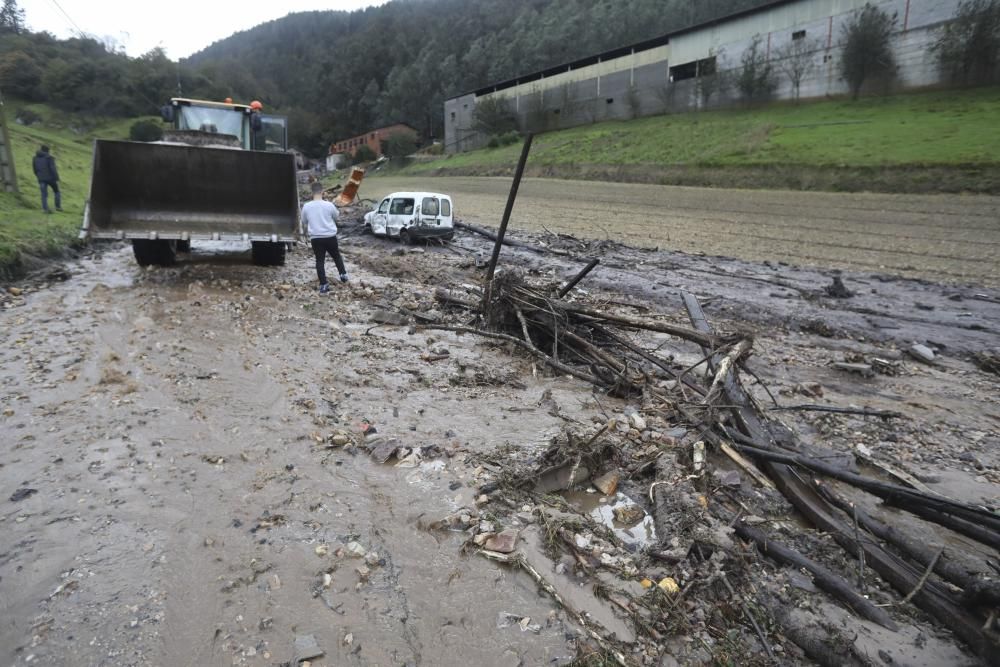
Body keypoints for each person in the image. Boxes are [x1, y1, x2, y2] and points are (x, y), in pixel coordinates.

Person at [302, 181, 348, 293]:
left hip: (316, 238)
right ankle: (343, 275)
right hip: (330, 236)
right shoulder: (329, 205)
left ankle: (323, 285)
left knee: (319, 261)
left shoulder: (306, 206)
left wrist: (305, 234)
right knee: (336, 256)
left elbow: (304, 221)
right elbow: (336, 216)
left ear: (312, 192)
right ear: (322, 192)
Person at [32, 145, 61, 213]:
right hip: (51, 179)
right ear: (47, 151)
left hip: (41, 178)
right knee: (56, 191)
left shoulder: (35, 158)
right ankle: (58, 207)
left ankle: (45, 209)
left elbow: (34, 169)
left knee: (43, 194)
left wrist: (38, 176)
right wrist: (57, 178)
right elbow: (53, 169)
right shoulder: (49, 158)